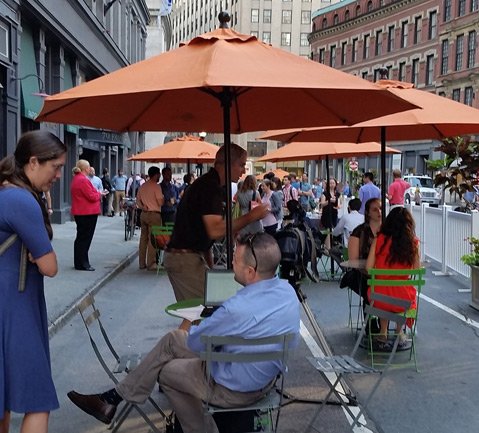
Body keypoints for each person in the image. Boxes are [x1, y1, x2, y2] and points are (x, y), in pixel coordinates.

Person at [66, 233, 300, 433]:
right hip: (265, 381)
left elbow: (197, 344)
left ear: (250, 271)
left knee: (166, 371)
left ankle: (196, 429)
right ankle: (112, 398)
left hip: (233, 390)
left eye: (235, 260)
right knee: (172, 340)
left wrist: (195, 319)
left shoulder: (235, 309)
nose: (230, 261)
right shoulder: (287, 293)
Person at [0, 130, 66, 433]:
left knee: (5, 399)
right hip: (16, 307)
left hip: (11, 301)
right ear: (34, 162)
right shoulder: (21, 200)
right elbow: (50, 266)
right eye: (56, 167)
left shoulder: (7, 192)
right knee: (38, 397)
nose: (59, 175)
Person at [164, 143, 269, 302]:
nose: (244, 170)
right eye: (241, 165)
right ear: (227, 163)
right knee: (203, 312)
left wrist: (209, 261)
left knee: (202, 310)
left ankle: (189, 327)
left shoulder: (212, 185)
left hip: (189, 256)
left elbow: (205, 231)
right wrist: (251, 216)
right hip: (185, 258)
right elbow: (215, 230)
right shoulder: (209, 187)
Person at [366, 206, 420, 350]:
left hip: (379, 299)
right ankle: (399, 331)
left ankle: (383, 332)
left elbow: (369, 268)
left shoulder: (379, 240)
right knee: (401, 292)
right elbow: (416, 269)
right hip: (403, 300)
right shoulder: (412, 243)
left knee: (382, 290)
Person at [71, 160, 106, 271]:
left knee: (81, 238)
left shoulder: (76, 179)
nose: (90, 169)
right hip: (87, 213)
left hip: (80, 212)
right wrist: (99, 194)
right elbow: (91, 196)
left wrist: (96, 193)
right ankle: (83, 263)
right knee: (85, 239)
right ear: (86, 169)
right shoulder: (83, 180)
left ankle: (79, 262)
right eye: (89, 167)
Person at [346, 198, 382, 304]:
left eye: (380, 208)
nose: (379, 212)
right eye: (375, 210)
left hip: (383, 274)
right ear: (368, 213)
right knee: (371, 288)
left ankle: (381, 317)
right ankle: (373, 319)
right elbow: (353, 261)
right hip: (363, 274)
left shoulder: (389, 232)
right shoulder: (358, 232)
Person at [136, 166, 164, 271]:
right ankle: (151, 263)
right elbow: (160, 202)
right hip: (154, 214)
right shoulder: (156, 187)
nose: (160, 176)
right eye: (159, 174)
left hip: (144, 214)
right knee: (153, 239)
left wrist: (143, 206)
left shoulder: (142, 186)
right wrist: (164, 198)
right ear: (156, 174)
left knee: (143, 239)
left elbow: (137, 200)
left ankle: (141, 263)